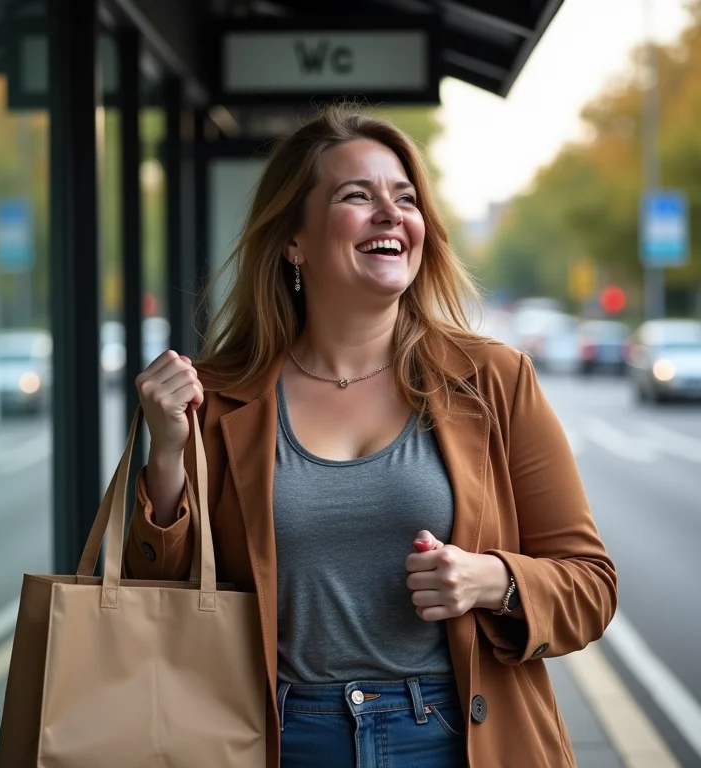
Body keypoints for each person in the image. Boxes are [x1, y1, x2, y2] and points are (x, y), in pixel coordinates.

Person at [124, 106, 617, 768]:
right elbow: (156, 601)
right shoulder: (214, 399)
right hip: (275, 739)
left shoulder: (495, 380)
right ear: (293, 241)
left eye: (405, 198)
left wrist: (490, 580)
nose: (391, 213)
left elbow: (590, 585)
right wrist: (164, 456)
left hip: (454, 737)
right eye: (358, 195)